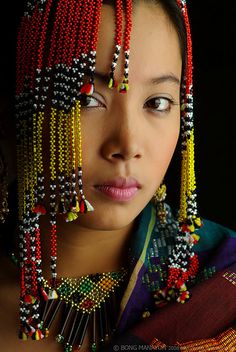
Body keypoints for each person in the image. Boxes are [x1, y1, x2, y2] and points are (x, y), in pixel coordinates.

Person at [0, 0, 235, 351]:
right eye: (88, 100)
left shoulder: (222, 288)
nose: (128, 143)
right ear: (15, 111)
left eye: (157, 103)